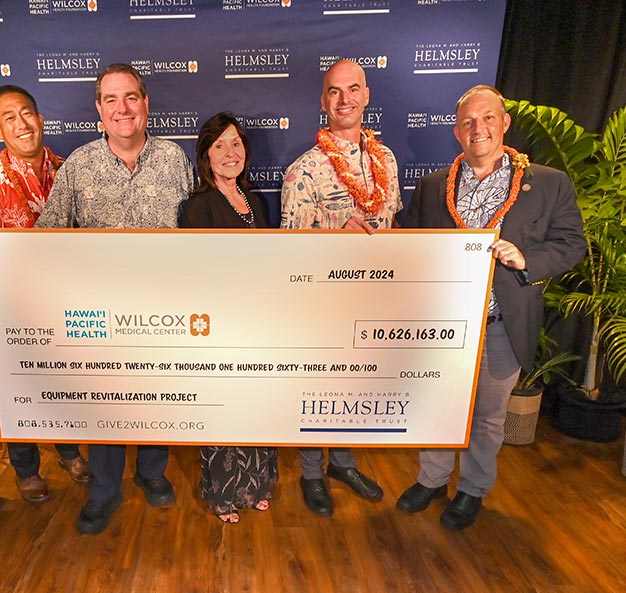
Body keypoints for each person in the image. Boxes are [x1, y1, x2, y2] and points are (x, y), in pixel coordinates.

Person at [397, 85, 586, 530]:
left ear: (504, 123)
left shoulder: (548, 183)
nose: (476, 128)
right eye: (467, 122)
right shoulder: (430, 187)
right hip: (442, 325)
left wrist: (527, 259)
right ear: (456, 132)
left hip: (502, 324)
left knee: (487, 417)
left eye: (486, 119)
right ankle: (433, 478)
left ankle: (472, 489)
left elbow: (572, 243)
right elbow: (410, 243)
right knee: (436, 405)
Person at [35, 63, 195, 535]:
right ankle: (104, 488)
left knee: (156, 397)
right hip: (99, 316)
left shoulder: (175, 160)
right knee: (105, 402)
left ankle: (152, 472)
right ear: (99, 111)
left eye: (131, 97)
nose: (122, 108)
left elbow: (195, 237)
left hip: (162, 312)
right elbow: (47, 237)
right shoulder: (78, 167)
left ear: (146, 104)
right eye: (111, 100)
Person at [280, 59, 402, 517]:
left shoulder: (386, 160)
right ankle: (312, 471)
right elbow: (291, 255)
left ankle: (344, 463)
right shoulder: (303, 171)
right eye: (335, 91)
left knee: (357, 389)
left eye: (353, 89)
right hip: (323, 305)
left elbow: (390, 225)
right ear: (323, 100)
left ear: (367, 96)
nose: (345, 99)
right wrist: (333, 234)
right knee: (319, 389)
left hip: (373, 300)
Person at [0, 85, 90, 504]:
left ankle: (70, 451)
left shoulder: (69, 170)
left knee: (67, 385)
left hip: (67, 303)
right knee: (21, 390)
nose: (21, 124)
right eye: (9, 117)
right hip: (16, 308)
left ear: (40, 119)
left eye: (27, 114)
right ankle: (25, 469)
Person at [179, 112, 278, 523]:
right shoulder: (197, 206)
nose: (229, 152)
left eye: (235, 143)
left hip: (260, 323)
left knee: (256, 406)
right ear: (205, 156)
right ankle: (222, 493)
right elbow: (198, 275)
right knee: (223, 408)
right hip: (220, 328)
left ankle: (253, 485)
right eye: (219, 145)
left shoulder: (256, 201)